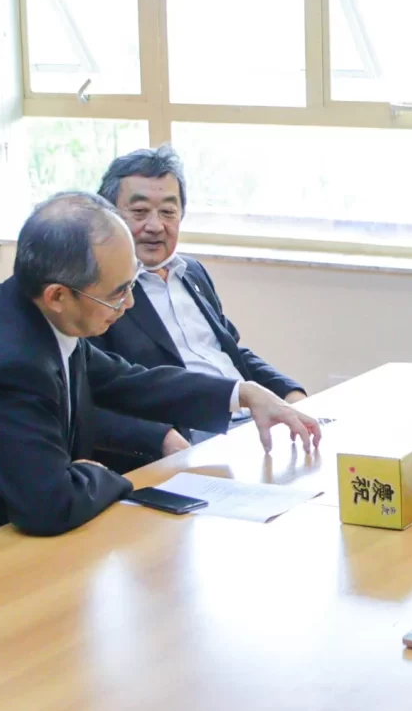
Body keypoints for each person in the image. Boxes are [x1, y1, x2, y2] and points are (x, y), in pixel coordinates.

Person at [0, 192, 321, 543]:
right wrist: (104, 474)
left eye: (132, 283)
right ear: (58, 295)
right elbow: (50, 504)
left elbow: (125, 380)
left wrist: (242, 393)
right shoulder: (8, 363)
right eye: (117, 293)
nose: (129, 303)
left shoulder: (33, 308)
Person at [89, 145, 307, 468]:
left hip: (249, 423)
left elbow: (231, 352)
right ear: (109, 217)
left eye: (168, 212)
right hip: (188, 437)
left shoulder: (191, 272)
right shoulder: (99, 291)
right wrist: (159, 437)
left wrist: (291, 395)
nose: (155, 226)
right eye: (139, 212)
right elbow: (92, 396)